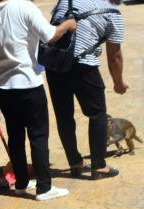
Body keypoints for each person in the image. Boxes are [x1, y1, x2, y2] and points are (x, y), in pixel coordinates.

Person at [0, 0, 75, 201]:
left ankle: (21, 184)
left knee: (15, 135)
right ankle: (44, 187)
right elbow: (51, 36)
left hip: (1, 84)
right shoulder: (25, 7)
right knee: (38, 136)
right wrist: (68, 25)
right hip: (27, 82)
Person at [45, 0, 127, 179]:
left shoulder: (66, 1)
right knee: (97, 114)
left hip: (56, 64)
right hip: (84, 66)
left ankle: (75, 162)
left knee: (64, 115)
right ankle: (99, 166)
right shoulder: (113, 13)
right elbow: (114, 56)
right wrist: (118, 82)